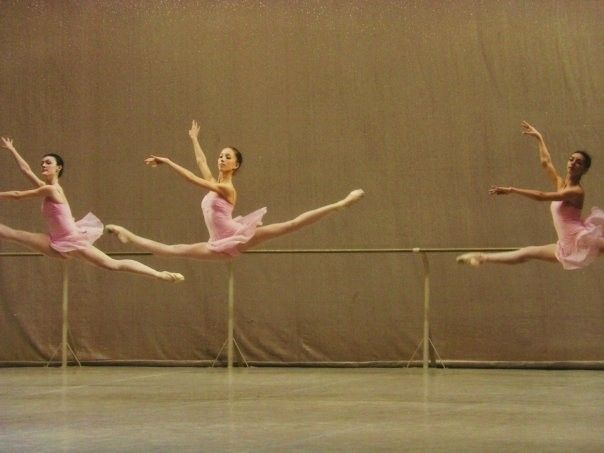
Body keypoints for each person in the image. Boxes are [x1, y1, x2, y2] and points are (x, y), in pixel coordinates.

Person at [106, 120, 364, 259]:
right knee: (173, 249)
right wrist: (194, 139)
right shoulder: (215, 186)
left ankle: (342, 203)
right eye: (220, 155)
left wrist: (168, 161)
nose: (221, 159)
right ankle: (129, 235)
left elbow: (195, 180)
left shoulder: (226, 188)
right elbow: (200, 164)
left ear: (236, 164)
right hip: (217, 242)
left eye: (227, 157)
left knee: (290, 224)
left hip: (237, 235)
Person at [0, 137, 184, 282]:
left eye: (48, 162)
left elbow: (17, 194)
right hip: (55, 241)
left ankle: (159, 274)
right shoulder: (45, 187)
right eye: (42, 163)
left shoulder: (51, 189)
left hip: (72, 240)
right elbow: (27, 171)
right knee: (12, 234)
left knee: (113, 264)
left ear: (58, 168)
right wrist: (13, 150)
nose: (43, 165)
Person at [457, 121, 604, 269]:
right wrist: (539, 138)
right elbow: (546, 163)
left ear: (584, 170)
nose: (572, 163)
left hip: (581, 239)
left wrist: (512, 190)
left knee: (529, 252)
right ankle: (481, 257)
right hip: (566, 245)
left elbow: (541, 196)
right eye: (571, 159)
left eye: (578, 163)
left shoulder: (576, 192)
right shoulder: (561, 185)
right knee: (528, 252)